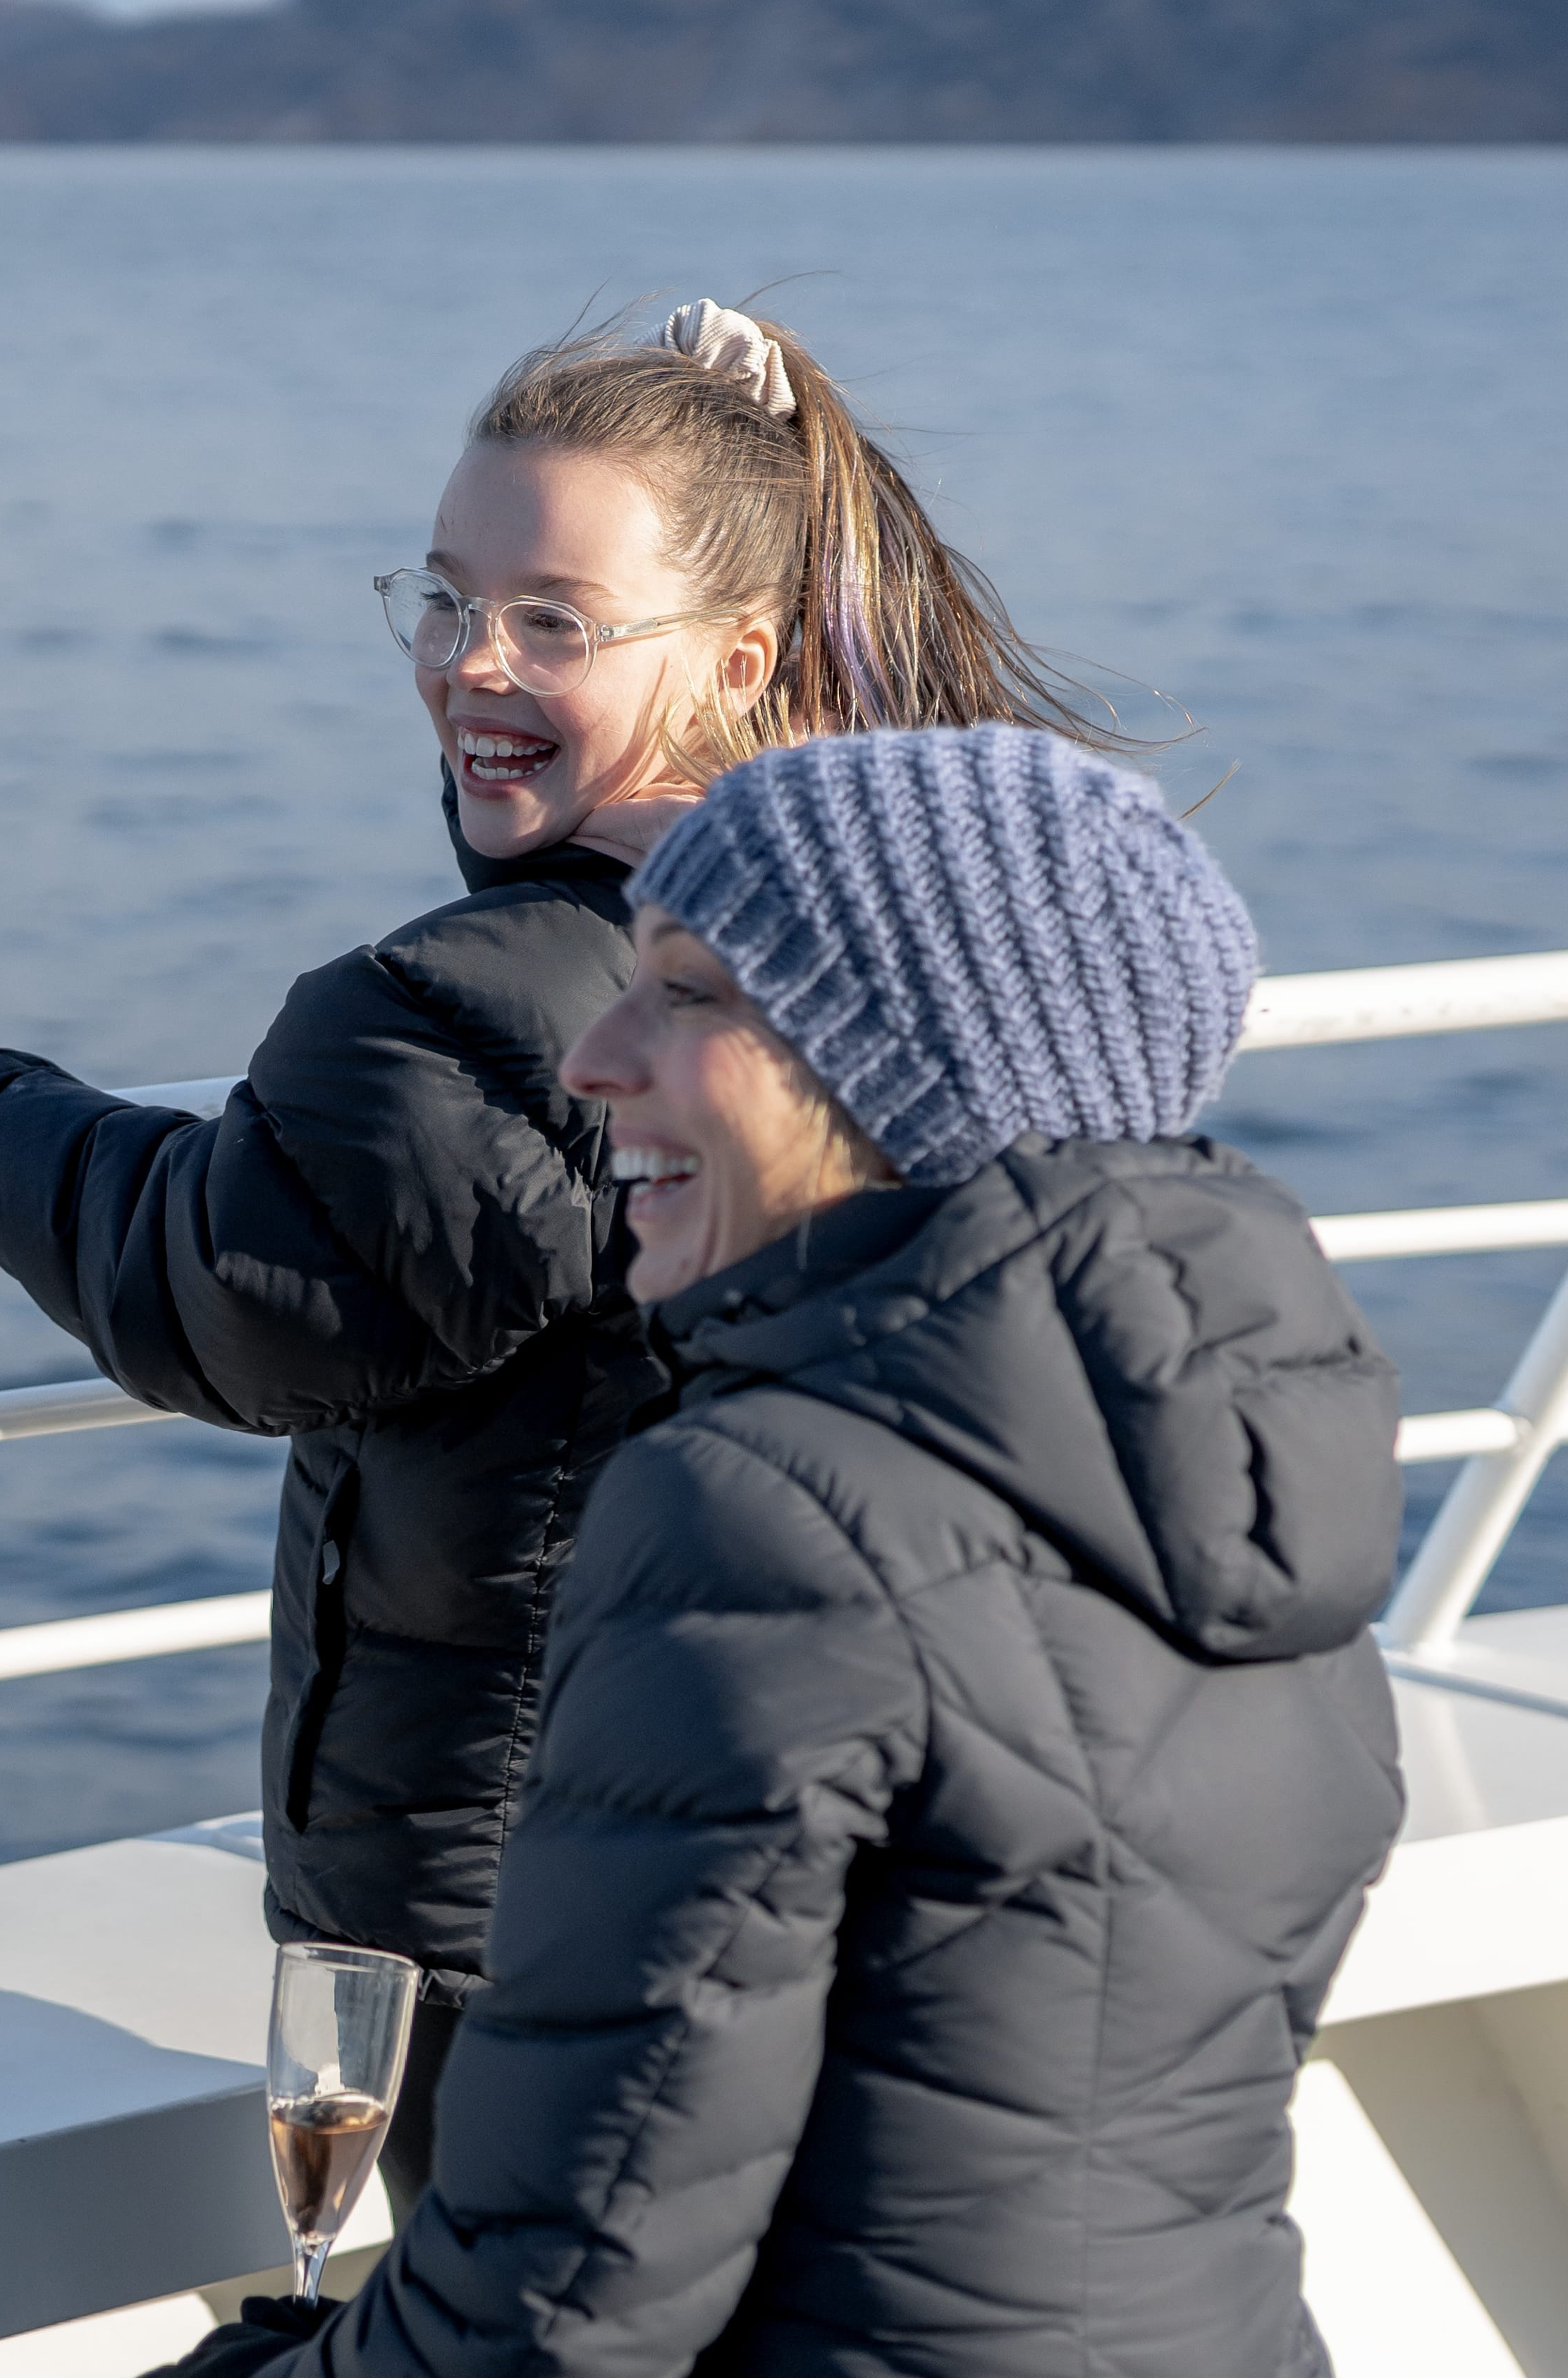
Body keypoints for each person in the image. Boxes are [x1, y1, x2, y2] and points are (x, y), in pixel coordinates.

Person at [0, 300, 1114, 2207]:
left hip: (525, 1902)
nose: (473, 666)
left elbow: (231, 1286)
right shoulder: (904, 935)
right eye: (445, 599)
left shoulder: (476, 1002)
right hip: (823, 1837)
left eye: (554, 617)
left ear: (738, 656)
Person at [171, 724, 1405, 2378]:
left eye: (686, 993)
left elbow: (558, 2306)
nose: (597, 1058)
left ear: (895, 1072)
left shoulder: (768, 1518)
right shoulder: (1246, 1479)